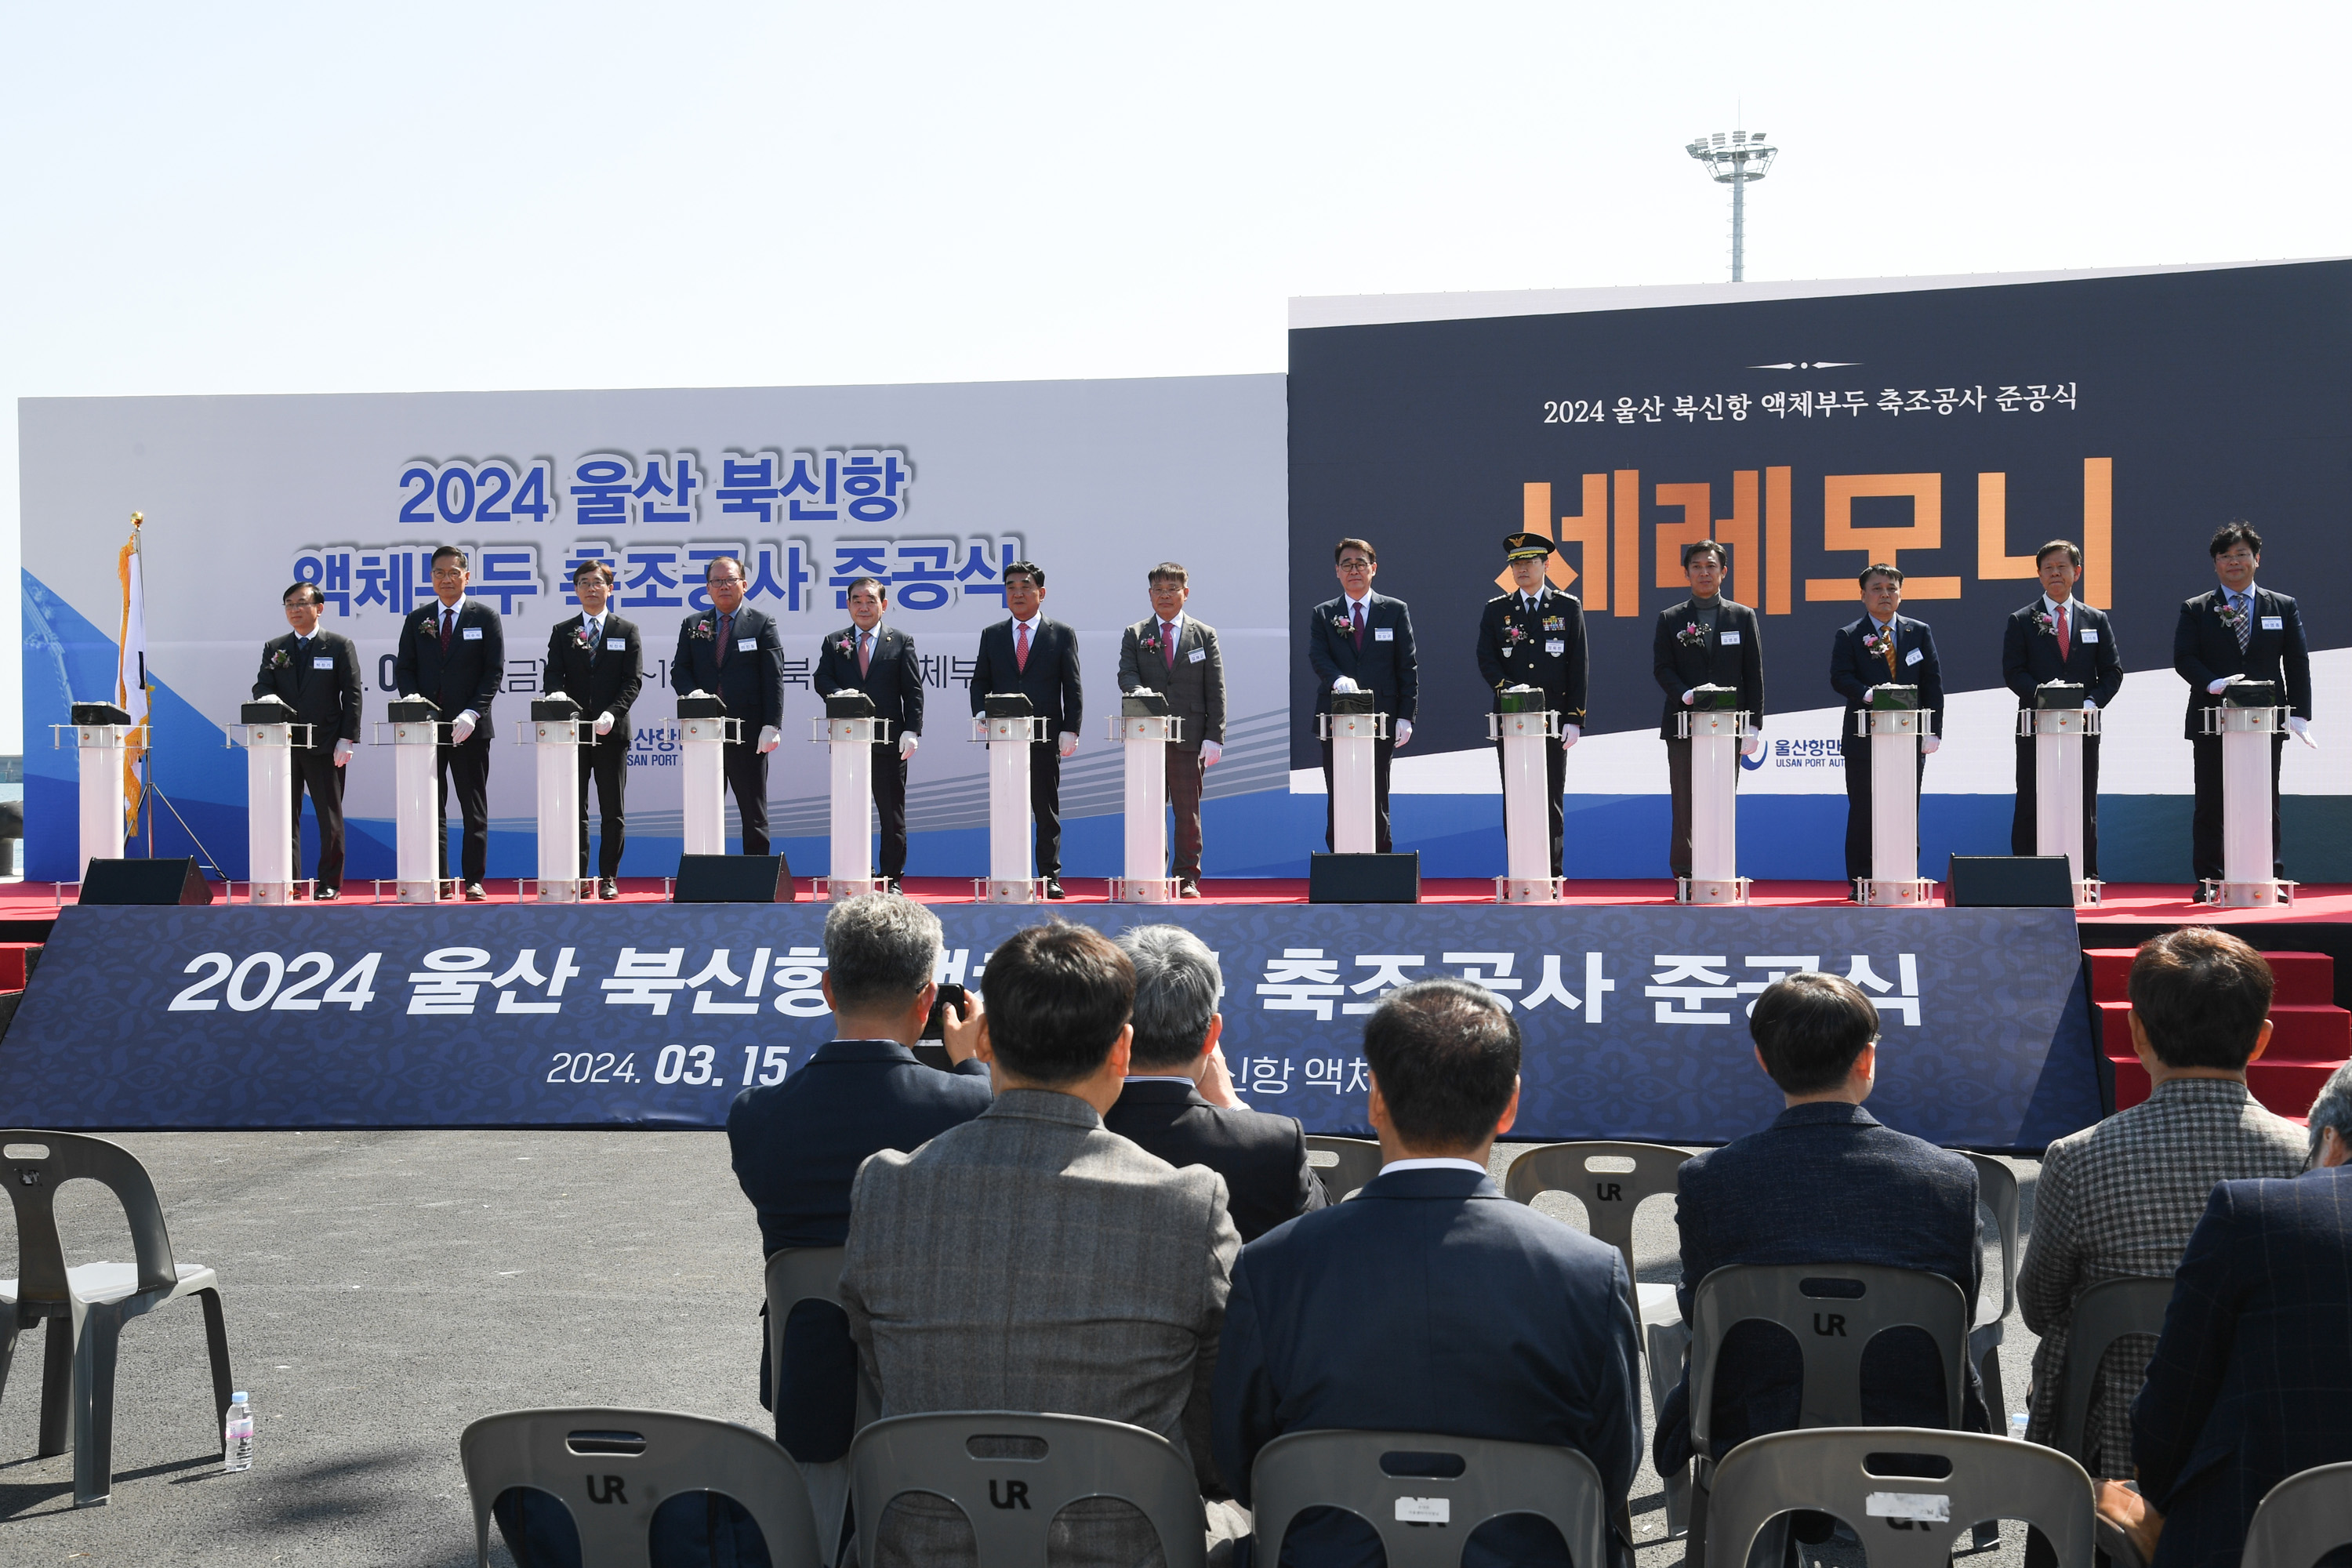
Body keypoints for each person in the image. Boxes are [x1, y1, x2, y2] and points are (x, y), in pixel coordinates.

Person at [839, 922, 1247, 1568]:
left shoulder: (886, 1184)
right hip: (1125, 1547)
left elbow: (882, 1368)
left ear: (987, 1041)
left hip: (921, 1546)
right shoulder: (1187, 1202)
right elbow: (1216, 1410)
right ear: (1123, 1049)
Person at [1214, 978, 1641, 1568]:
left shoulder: (1272, 1265)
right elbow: (1610, 1470)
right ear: (1511, 1103)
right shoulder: (1590, 1273)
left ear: (1376, 1101)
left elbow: (1242, 1465)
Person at [726, 893, 991, 1554]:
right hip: (937, 1385)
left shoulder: (757, 1114)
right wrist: (974, 1061)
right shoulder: (973, 1106)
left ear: (826, 989)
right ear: (928, 1000)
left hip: (805, 1377)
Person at [1653, 971, 1984, 1482]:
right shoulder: (1947, 1178)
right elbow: (1956, 1306)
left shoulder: (1711, 1180)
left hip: (1754, 1429)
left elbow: (1700, 1306)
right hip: (1914, 1429)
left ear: (1763, 1061)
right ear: (1867, 1059)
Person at [2016, 928, 2304, 1480]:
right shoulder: (2310, 1162)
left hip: (2114, 1446)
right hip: (2259, 1446)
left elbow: (2040, 1306)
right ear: (2261, 1039)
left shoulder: (2077, 1159)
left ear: (2137, 1032)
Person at [2119, 1060, 2352, 1567]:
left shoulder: (2256, 1212)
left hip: (2254, 1539)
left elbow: (2169, 1409)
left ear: (2330, 1139)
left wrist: (2158, 1496)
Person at [1105, 925, 1323, 1243]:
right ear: (1212, 1034)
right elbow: (1320, 1235)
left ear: (1110, 1029)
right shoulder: (1271, 1145)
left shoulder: (1067, 1132)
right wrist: (1232, 1106)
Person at [2173, 521, 2315, 889]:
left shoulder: (2282, 606)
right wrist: (2213, 683)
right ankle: (2210, 880)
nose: (2234, 562)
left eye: (2241, 555)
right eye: (2225, 556)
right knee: (2210, 801)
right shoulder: (2197, 608)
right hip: (2212, 718)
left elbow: (2297, 661)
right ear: (2215, 564)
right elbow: (2184, 658)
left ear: (2257, 559)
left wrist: (2299, 713)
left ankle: (2268, 877)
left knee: (2264, 799)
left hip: (2264, 721)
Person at [2002, 539, 2123, 876]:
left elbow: (2112, 672)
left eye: (2062, 567)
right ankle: (2027, 874)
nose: (2055, 573)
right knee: (2031, 799)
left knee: (2082, 802)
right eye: (2048, 568)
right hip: (2035, 726)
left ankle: (2084, 874)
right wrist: (2045, 697)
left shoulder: (2096, 619)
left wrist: (2090, 702)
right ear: (2039, 575)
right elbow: (2013, 672)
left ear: (2077, 572)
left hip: (2081, 727)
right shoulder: (2022, 620)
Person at [1474, 532, 1588, 880]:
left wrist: (1574, 718)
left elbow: (1578, 664)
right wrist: (1509, 688)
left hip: (1553, 719)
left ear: (1546, 565)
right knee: (1517, 794)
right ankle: (1520, 870)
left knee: (1551, 795)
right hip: (1512, 717)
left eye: (1529, 562)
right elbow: (1486, 658)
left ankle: (1551, 875)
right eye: (1516, 563)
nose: (1522, 569)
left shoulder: (1567, 607)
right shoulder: (1498, 610)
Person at [1650, 539, 1765, 883]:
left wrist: (1754, 725)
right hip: (1684, 724)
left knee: (1719, 799)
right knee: (1685, 803)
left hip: (1728, 726)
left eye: (1711, 566)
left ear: (1723, 572)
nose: (1704, 572)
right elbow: (1662, 667)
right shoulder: (1671, 618)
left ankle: (1719, 868)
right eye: (1697, 566)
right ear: (1686, 573)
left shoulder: (1742, 617)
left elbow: (1753, 673)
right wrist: (1685, 695)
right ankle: (1685, 873)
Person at [966, 561, 1083, 898]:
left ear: (1040, 593)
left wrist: (1071, 728)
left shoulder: (1060, 633)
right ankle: (1006, 873)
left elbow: (1072, 686)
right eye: (1011, 587)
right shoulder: (992, 635)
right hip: (1004, 738)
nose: (1017, 593)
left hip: (1045, 736)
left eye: (1025, 587)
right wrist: (980, 712)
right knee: (1005, 807)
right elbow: (980, 681)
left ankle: (1049, 877)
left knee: (1045, 811)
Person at [393, 545, 503, 900]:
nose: (446, 579)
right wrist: (414, 702)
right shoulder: (417, 619)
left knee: (473, 807)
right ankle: (438, 877)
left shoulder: (484, 617)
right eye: (439, 573)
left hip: (470, 727)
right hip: (427, 731)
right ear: (431, 578)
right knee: (430, 806)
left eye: (454, 572)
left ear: (467, 576)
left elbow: (493, 672)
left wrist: (472, 712)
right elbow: (405, 669)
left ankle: (473, 880)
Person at [1829, 563, 1944, 894]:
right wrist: (1868, 694)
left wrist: (1933, 730)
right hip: (1864, 738)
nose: (1885, 594)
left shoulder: (1918, 632)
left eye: (1891, 588)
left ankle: (1905, 873)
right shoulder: (1849, 635)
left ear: (1900, 594)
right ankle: (1862, 880)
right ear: (1863, 595)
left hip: (1909, 737)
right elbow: (1840, 677)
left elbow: (1932, 683)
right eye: (1877, 588)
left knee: (1906, 807)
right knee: (1865, 810)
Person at [1116, 563, 1227, 897]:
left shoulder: (1204, 634)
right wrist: (1137, 692)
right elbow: (1126, 674)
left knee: (1187, 813)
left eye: (1172, 589)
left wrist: (1214, 736)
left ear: (1185, 593)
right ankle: (1150, 874)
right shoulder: (1135, 634)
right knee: (1148, 811)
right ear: (1150, 595)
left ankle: (1186, 879)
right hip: (1146, 739)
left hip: (1190, 737)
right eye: (1158, 590)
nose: (1165, 595)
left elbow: (1215, 689)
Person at [1306, 537, 1417, 854]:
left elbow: (1407, 666)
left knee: (1376, 791)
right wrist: (1338, 678)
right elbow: (1318, 656)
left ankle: (1380, 861)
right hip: (1336, 718)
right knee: (1339, 790)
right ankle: (1338, 860)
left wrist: (1406, 716)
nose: (1353, 570)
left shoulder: (1394, 610)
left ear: (1374, 569)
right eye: (1347, 565)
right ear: (1337, 572)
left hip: (1381, 718)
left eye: (1360, 564)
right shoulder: (1324, 613)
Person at [251, 583, 361, 900]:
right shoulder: (276, 647)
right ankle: (290, 881)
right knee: (285, 815)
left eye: (301, 603)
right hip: (283, 745)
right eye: (288, 604)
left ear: (319, 608)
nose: (294, 610)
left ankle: (329, 882)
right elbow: (262, 685)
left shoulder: (339, 645)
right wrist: (269, 698)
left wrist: (347, 739)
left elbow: (352, 695)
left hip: (325, 744)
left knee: (329, 817)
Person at [671, 556, 786, 856]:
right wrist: (693, 694)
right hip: (704, 733)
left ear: (744, 585)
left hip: (748, 733)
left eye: (730, 580)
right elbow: (679, 670)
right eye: (716, 581)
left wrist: (771, 725)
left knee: (753, 807)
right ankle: (704, 867)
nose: (724, 586)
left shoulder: (761, 624)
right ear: (708, 588)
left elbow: (773, 677)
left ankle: (757, 872)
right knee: (704, 806)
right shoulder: (694, 624)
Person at [815, 576, 924, 890]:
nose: (863, 606)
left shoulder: (901, 641)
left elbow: (913, 691)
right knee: (849, 811)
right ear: (848, 605)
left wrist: (912, 730)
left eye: (870, 600)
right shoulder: (835, 641)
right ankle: (854, 871)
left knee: (891, 815)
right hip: (848, 741)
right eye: (857, 600)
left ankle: (891, 878)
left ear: (884, 605)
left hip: (889, 742)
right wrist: (840, 694)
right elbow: (821, 678)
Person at [544, 560, 643, 900]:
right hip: (571, 735)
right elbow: (553, 674)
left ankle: (609, 877)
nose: (590, 588)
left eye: (597, 582)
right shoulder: (563, 630)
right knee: (576, 808)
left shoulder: (625, 630)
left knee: (612, 809)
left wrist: (613, 714)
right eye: (583, 582)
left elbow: (633, 681)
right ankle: (580, 876)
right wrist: (557, 697)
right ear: (575, 589)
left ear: (609, 588)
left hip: (611, 733)